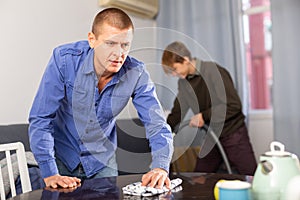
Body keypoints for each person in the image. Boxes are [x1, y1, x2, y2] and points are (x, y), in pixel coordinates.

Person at [28, 7, 173, 189]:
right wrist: (50, 172)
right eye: (110, 43)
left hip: (102, 161)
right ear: (92, 40)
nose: (119, 54)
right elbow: (41, 118)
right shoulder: (64, 60)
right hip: (61, 158)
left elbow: (156, 124)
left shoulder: (136, 73)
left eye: (125, 45)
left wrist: (161, 166)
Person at [161, 41, 257, 175]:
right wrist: (163, 132)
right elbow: (178, 111)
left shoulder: (214, 71)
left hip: (233, 133)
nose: (174, 74)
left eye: (175, 69)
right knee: (199, 177)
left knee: (250, 176)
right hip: (211, 136)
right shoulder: (184, 83)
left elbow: (233, 106)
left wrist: (203, 116)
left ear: (185, 60)